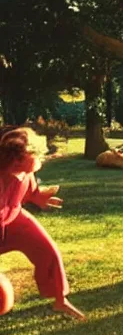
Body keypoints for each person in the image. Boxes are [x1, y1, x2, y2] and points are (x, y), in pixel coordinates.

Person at [0, 127, 84, 320]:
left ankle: (60, 299)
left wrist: (38, 197)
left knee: (48, 251)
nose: (40, 160)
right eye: (35, 156)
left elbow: (29, 189)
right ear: (18, 159)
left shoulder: (25, 171)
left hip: (14, 220)